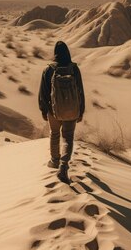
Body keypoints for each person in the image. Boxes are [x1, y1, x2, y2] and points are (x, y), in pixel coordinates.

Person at [38, 41, 85, 184]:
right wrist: (81, 110)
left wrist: (43, 110)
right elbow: (80, 91)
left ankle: (55, 161)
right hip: (71, 110)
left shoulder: (48, 70)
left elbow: (43, 93)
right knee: (68, 138)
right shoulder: (74, 69)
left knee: (55, 134)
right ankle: (64, 167)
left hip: (53, 110)